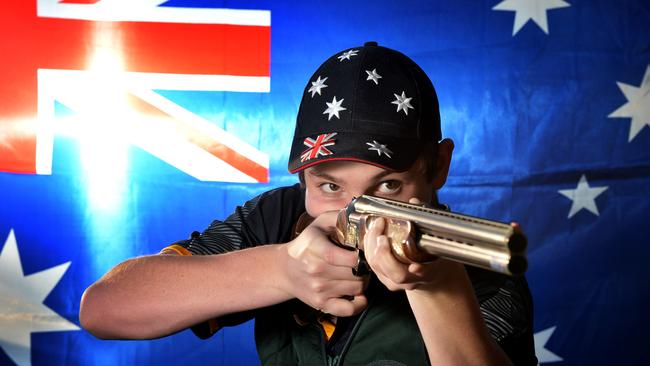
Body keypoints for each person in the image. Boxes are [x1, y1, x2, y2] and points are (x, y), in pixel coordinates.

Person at [80, 41, 537, 365]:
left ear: (437, 166)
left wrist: (436, 286)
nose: (358, 211)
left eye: (389, 187)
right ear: (303, 175)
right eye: (330, 187)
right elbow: (104, 310)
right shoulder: (278, 217)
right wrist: (280, 268)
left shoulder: (477, 267)